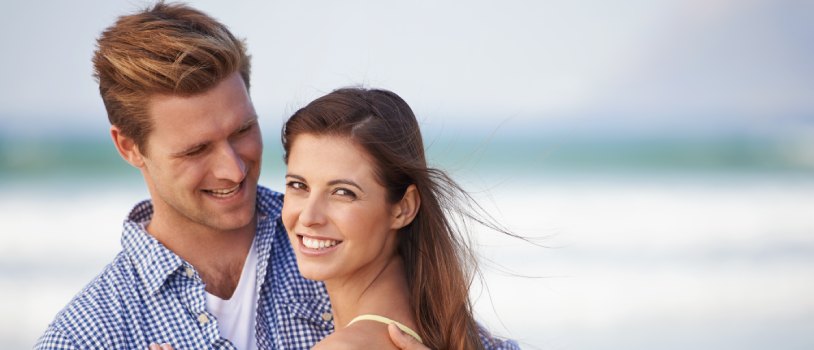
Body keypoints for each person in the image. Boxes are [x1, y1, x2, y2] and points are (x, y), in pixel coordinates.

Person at [35, 3, 426, 349]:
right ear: (129, 147)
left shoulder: (336, 242)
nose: (233, 169)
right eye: (196, 150)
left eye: (242, 132)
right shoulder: (88, 338)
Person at [279, 87, 520, 349]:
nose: (309, 216)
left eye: (342, 192)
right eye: (298, 186)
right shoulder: (460, 331)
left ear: (403, 208)